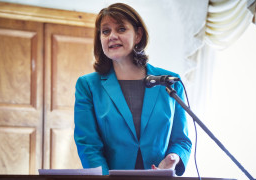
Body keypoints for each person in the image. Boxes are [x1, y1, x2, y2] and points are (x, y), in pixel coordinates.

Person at [74, 3, 192, 176]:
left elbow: (181, 140)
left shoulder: (170, 82)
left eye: (121, 29)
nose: (112, 36)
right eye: (105, 31)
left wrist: (173, 158)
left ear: (138, 35)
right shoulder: (88, 85)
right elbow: (88, 145)